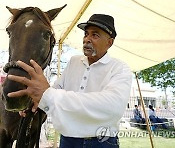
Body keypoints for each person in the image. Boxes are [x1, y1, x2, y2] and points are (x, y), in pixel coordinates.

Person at [7, 14, 132, 148]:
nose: (87, 39)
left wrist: (47, 95)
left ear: (109, 42)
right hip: (68, 141)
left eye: (95, 35)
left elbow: (112, 106)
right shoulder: (74, 62)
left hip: (101, 143)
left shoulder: (120, 68)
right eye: (86, 34)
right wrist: (37, 102)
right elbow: (55, 91)